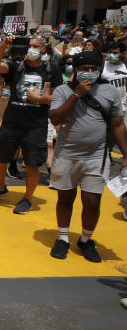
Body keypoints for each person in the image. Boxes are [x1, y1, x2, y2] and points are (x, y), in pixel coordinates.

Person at [48, 51, 127, 262]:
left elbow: (118, 124)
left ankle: (86, 239)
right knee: (65, 198)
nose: (90, 74)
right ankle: (63, 238)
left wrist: (126, 154)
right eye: (85, 70)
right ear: (76, 70)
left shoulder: (110, 92)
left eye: (94, 70)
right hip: (66, 155)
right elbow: (55, 118)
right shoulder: (63, 91)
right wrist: (77, 95)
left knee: (92, 201)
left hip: (96, 156)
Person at [0, 35, 57, 214]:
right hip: (11, 122)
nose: (31, 48)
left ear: (43, 49)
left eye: (35, 46)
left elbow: (55, 97)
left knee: (32, 164)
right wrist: (3, 47)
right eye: (29, 46)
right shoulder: (17, 67)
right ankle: (0, 187)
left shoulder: (50, 70)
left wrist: (39, 99)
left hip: (35, 125)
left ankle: (28, 198)